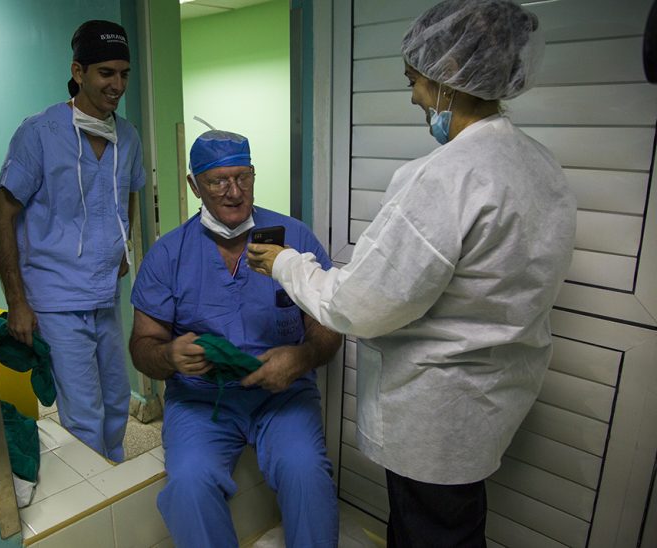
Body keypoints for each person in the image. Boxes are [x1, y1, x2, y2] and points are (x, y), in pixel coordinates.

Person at [247, 0, 577, 546]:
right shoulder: (538, 164)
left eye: (415, 81)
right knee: (454, 524)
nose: (414, 97)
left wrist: (284, 263)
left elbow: (359, 306)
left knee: (428, 529)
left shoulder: (446, 176)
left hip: (437, 412)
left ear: (450, 76)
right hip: (493, 399)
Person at [129, 128, 342, 547]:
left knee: (306, 472)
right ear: (194, 185)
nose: (234, 192)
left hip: (283, 396)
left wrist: (300, 359)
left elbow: (329, 324)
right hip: (201, 400)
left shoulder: (294, 238)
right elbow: (142, 346)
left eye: (243, 177)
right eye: (218, 181)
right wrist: (169, 355)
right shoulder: (169, 255)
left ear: (254, 175)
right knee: (189, 484)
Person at [0, 20, 145, 463]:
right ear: (79, 72)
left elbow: (128, 194)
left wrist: (124, 248)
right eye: (106, 73)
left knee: (117, 399)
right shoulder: (39, 133)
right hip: (55, 296)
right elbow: (2, 219)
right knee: (84, 412)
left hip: (104, 294)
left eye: (124, 74)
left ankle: (113, 474)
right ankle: (96, 487)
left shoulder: (127, 136)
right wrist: (17, 301)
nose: (118, 85)